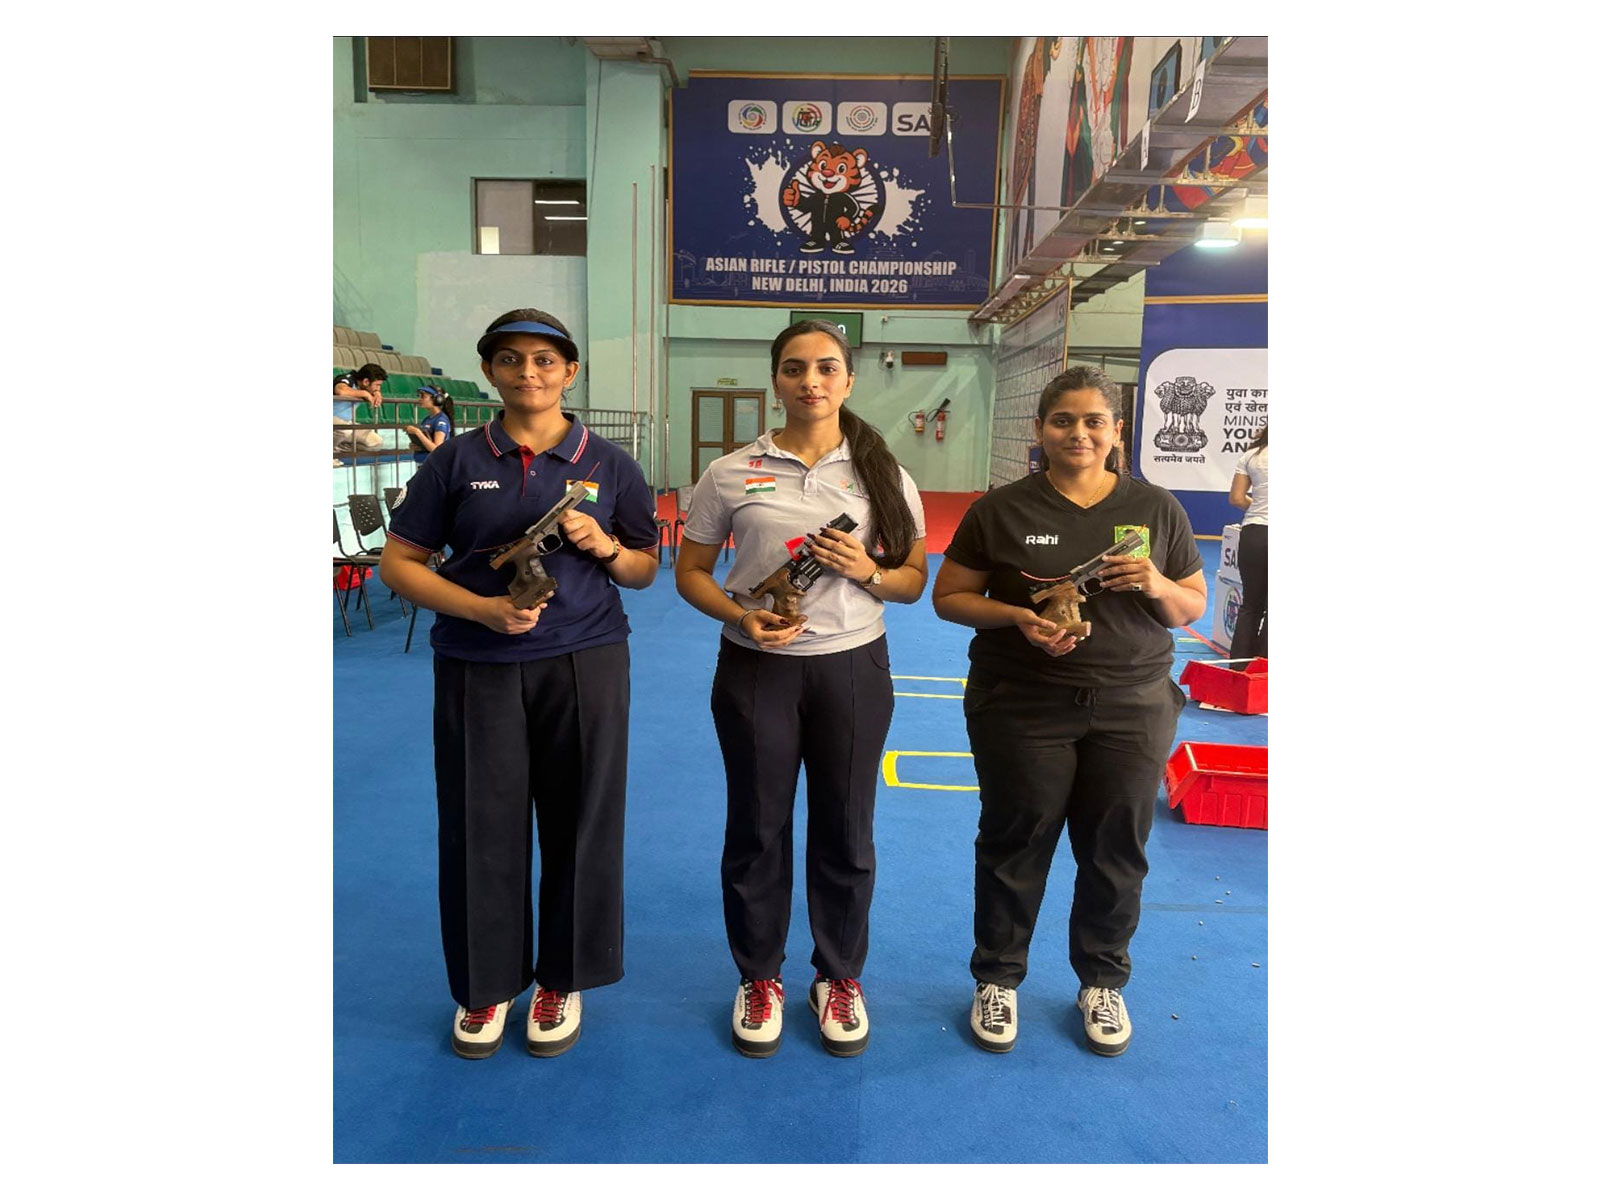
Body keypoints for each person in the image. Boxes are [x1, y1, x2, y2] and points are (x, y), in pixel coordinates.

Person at [377, 308, 661, 1061]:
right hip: (478, 664)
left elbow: (644, 568)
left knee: (581, 821)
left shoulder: (609, 463)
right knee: (481, 827)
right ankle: (484, 987)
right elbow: (399, 564)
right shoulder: (455, 460)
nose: (528, 372)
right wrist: (480, 609)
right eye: (510, 359)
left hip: (587, 661)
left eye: (544, 360)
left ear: (569, 372)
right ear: (490, 372)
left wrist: (606, 546)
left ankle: (561, 980)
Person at [931, 366, 1205, 1058]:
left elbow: (1190, 606)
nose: (1078, 433)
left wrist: (1155, 580)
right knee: (1015, 841)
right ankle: (997, 978)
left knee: (1116, 850)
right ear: (1040, 430)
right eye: (1063, 421)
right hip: (1021, 703)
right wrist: (1019, 618)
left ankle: (1102, 981)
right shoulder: (1002, 510)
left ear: (1116, 431)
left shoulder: (1156, 508)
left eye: (1093, 421)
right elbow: (950, 597)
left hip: (1131, 705)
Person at [674, 319, 928, 1060]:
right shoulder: (729, 472)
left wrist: (865, 570)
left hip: (852, 667)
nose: (809, 381)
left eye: (825, 368)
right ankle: (759, 976)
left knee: (847, 828)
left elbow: (912, 582)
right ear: (776, 381)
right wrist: (742, 615)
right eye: (794, 369)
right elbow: (691, 573)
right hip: (756, 670)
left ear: (848, 380)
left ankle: (838, 975)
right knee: (757, 825)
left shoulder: (885, 474)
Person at [1227, 424, 1268, 660]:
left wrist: (1261, 509)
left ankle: (1238, 668)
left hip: (1254, 533)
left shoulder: (1251, 456)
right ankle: (1264, 671)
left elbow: (1236, 498)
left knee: (1250, 605)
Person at [334, 363, 387, 456]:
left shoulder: (365, 386)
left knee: (376, 442)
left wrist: (377, 392)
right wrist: (364, 393)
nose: (378, 388)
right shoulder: (347, 379)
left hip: (346, 423)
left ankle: (336, 447)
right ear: (366, 382)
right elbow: (341, 391)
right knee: (345, 430)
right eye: (377, 385)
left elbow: (374, 390)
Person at [403, 384, 455, 463]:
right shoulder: (427, 419)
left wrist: (417, 432)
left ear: (437, 399)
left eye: (423, 397)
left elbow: (436, 449)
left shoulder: (441, 420)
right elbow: (427, 443)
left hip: (433, 465)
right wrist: (417, 446)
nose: (420, 399)